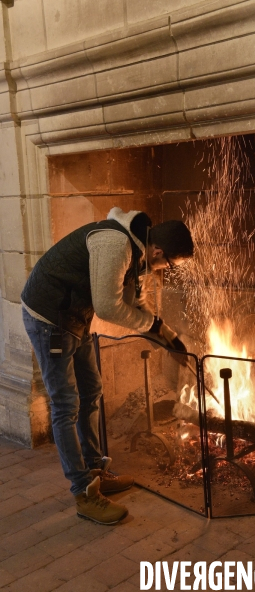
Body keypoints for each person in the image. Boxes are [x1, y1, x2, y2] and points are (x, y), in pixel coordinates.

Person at [21, 207, 194, 525]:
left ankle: (96, 470)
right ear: (159, 251)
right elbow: (108, 306)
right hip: (49, 318)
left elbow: (136, 303)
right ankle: (84, 492)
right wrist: (153, 328)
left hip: (75, 316)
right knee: (65, 404)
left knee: (92, 390)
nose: (166, 270)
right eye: (170, 265)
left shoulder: (138, 253)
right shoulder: (115, 245)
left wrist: (168, 338)